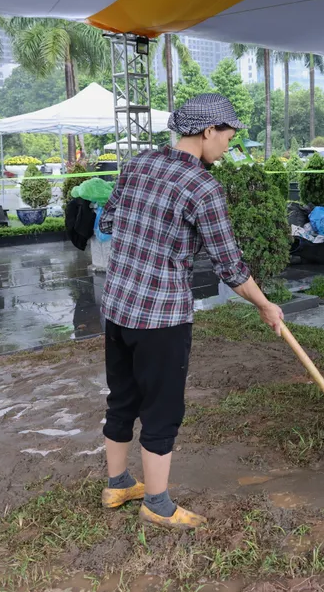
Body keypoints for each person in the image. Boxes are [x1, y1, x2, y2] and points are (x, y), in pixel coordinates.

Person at [98, 93, 285, 529]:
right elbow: (230, 266)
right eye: (229, 136)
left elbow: (107, 224)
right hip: (162, 317)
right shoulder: (202, 186)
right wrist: (265, 305)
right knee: (161, 409)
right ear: (208, 131)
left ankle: (118, 483)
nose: (228, 145)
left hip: (118, 307)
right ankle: (157, 502)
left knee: (122, 398)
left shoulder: (138, 163)